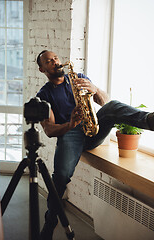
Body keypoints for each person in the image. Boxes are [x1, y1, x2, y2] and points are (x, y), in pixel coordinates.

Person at [36, 50, 154, 240]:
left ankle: (148, 120)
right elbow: (49, 130)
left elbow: (104, 102)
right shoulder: (44, 94)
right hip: (69, 133)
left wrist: (94, 88)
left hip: (92, 129)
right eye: (49, 61)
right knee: (60, 178)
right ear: (42, 69)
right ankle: (50, 222)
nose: (55, 62)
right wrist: (70, 124)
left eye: (55, 58)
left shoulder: (79, 78)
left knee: (113, 106)